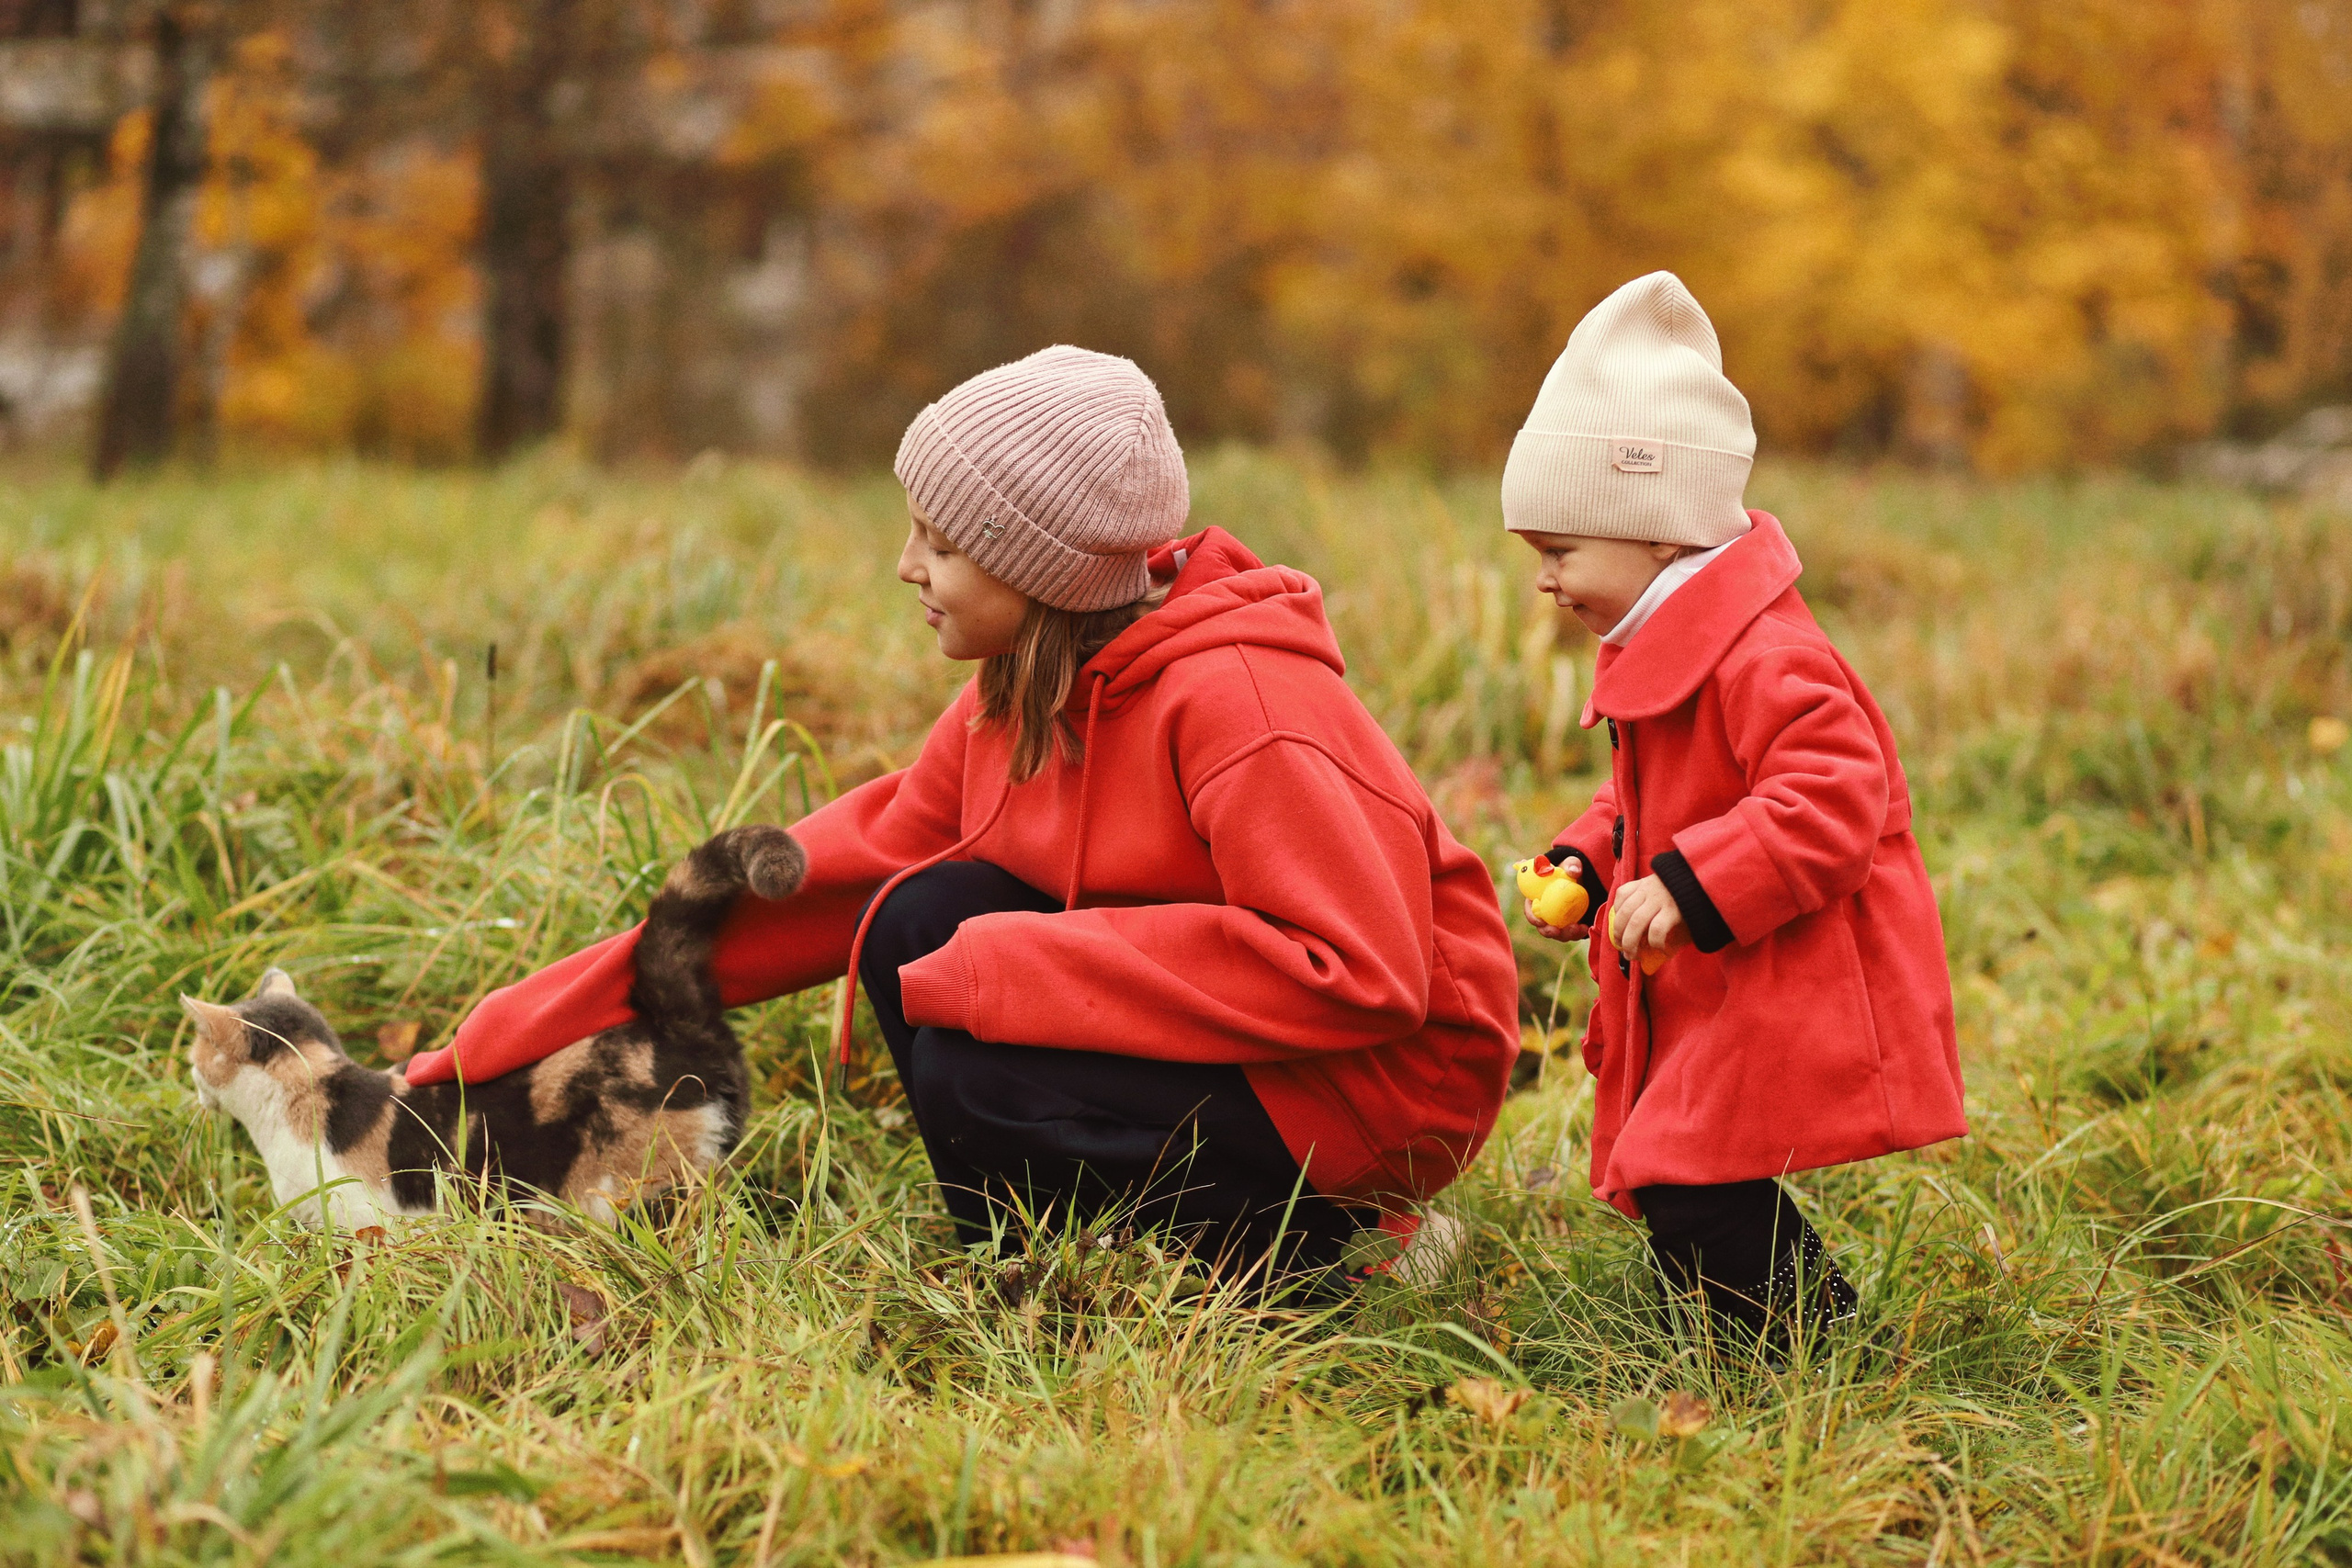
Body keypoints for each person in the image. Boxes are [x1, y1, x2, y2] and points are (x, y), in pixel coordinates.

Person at [402, 344, 1520, 1284]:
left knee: (969, 1055)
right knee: (910, 915)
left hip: (1385, 1081)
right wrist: (495, 1047)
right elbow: (825, 884)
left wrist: (1007, 970)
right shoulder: (1022, 698)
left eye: (940, 543)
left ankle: (1336, 1248)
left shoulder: (1249, 706)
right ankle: (1055, 1261)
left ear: (1040, 570)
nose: (906, 568)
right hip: (1230, 1033)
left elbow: (1362, 970)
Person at [1506, 273, 1966, 1341]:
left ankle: (1806, 1344)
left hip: (1783, 971)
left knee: (1687, 1169)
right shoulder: (1668, 645)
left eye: (1558, 551)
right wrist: (1588, 859)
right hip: (1719, 968)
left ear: (1658, 532)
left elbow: (1831, 798)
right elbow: (1646, 799)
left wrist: (1690, 881)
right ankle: (1758, 1340)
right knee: (1676, 1170)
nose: (1544, 581)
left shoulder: (1766, 656)